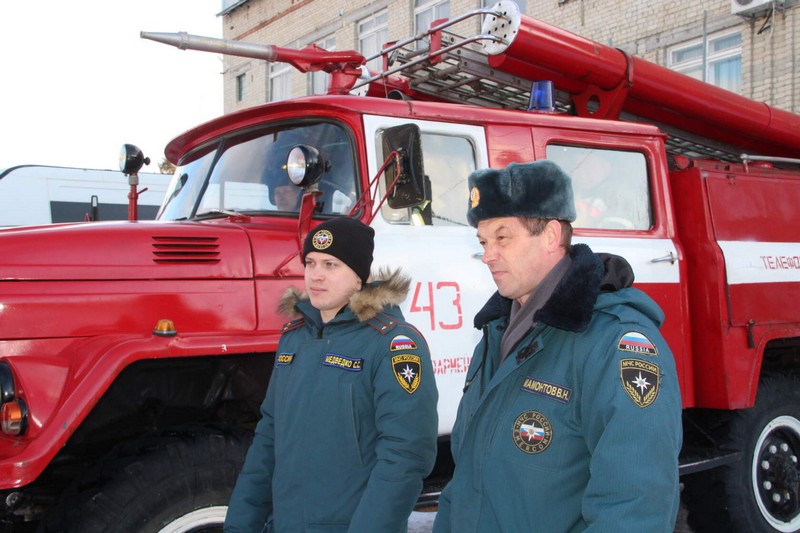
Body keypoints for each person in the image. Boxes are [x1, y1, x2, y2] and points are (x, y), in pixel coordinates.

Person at [433, 160, 682, 532]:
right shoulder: (496, 333)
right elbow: (467, 476)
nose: (487, 255)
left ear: (551, 235)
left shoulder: (613, 342)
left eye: (503, 238)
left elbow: (634, 506)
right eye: (483, 241)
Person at [225, 217, 439, 533]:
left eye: (331, 264)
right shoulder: (294, 337)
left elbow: (405, 456)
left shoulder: (392, 342)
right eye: (310, 263)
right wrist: (240, 524)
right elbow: (269, 435)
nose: (316, 275)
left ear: (358, 277)